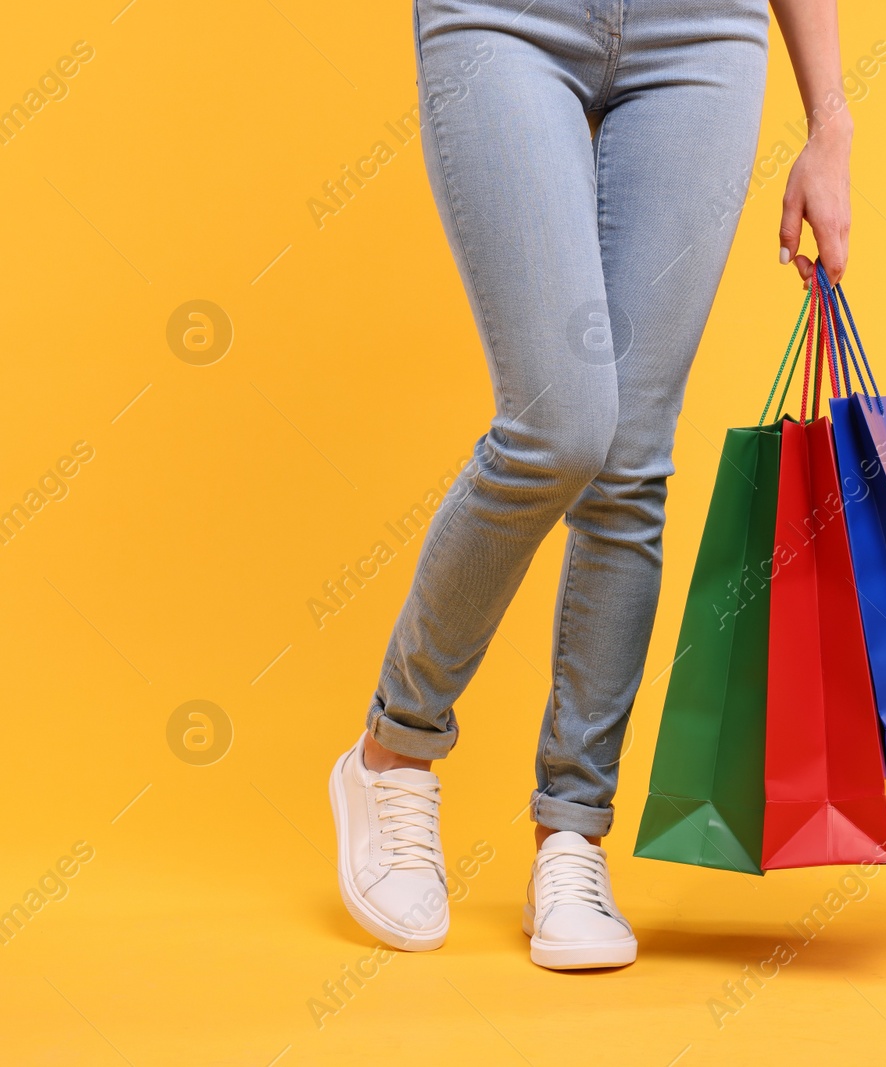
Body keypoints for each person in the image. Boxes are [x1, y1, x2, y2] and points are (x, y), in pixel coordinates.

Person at [328, 0, 852, 970]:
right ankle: (393, 752)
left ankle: (572, 830)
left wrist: (829, 123)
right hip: (505, 19)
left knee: (630, 460)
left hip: (700, 33)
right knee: (559, 426)